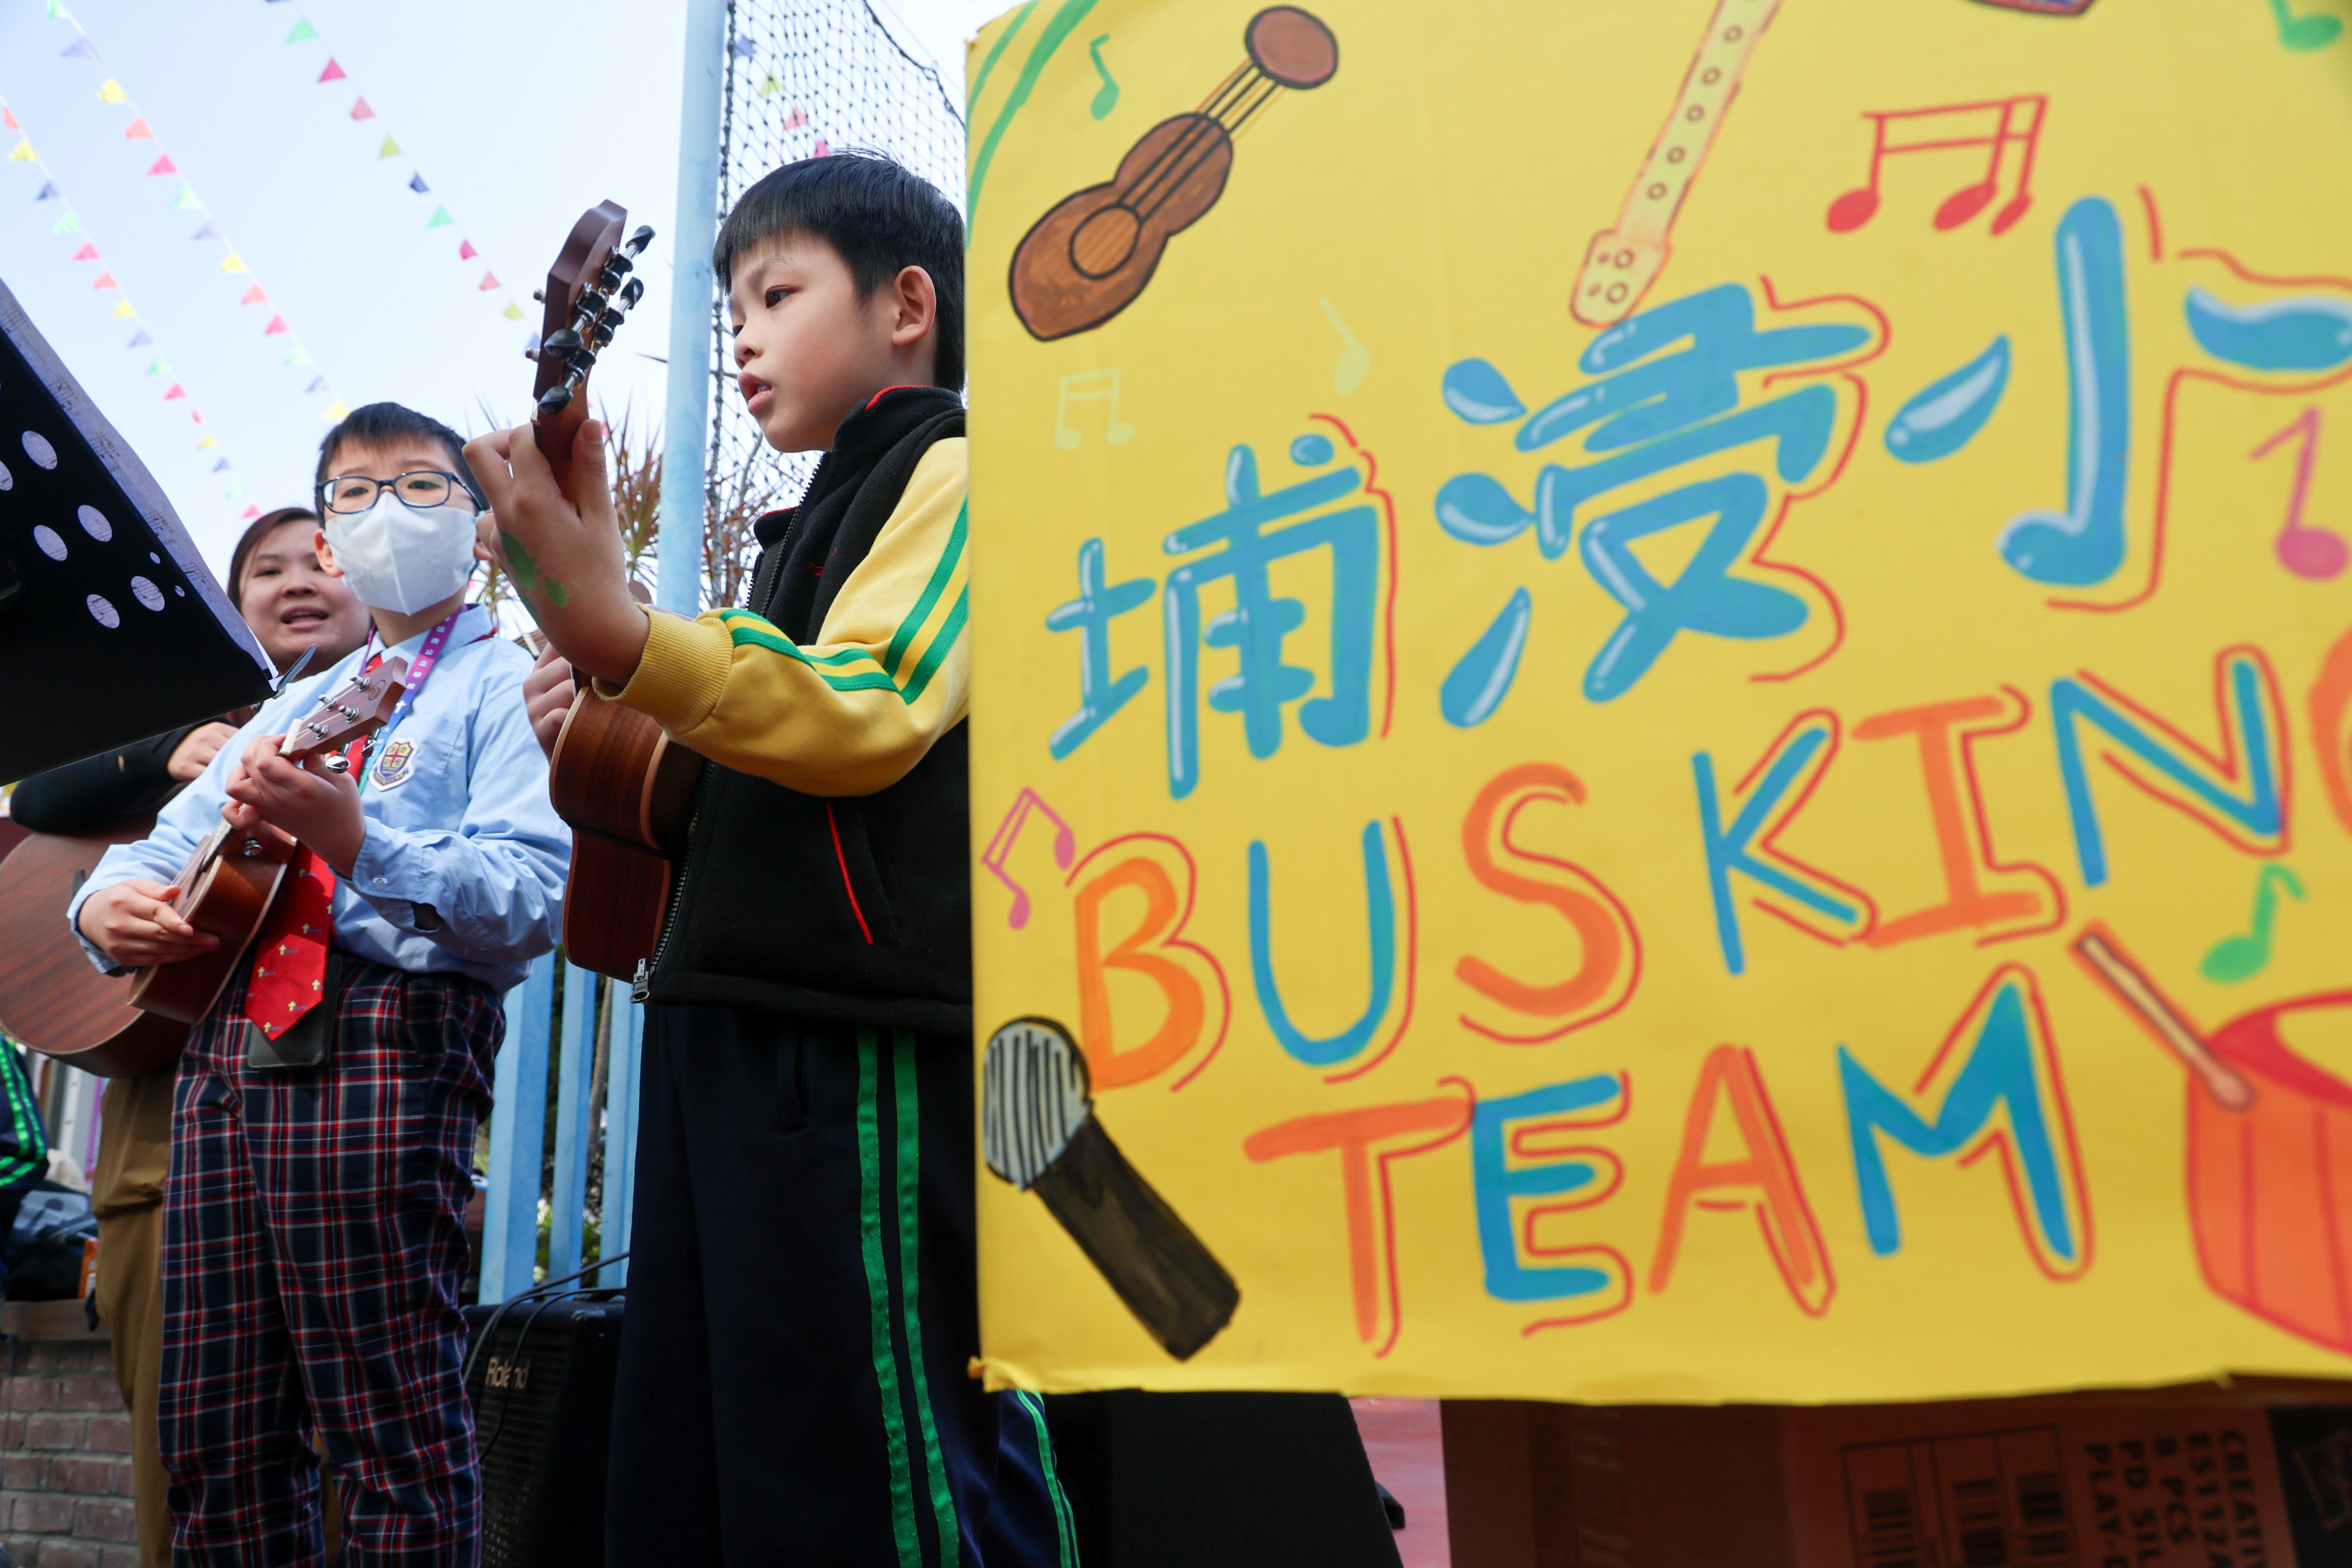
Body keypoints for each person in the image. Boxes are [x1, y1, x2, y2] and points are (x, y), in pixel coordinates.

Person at [469, 152, 1065, 1566]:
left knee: (875, 1454)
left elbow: (869, 704)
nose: (739, 337)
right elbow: (764, 785)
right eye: (730, 307)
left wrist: (628, 642)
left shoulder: (962, 472)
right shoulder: (815, 521)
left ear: (907, 304)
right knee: (731, 1447)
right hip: (739, 1025)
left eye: (775, 295)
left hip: (852, 1034)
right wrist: (616, 711)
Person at [66, 403, 569, 1567]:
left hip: (391, 1039)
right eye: (356, 492)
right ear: (332, 539)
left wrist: (361, 842)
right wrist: (102, 906)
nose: (389, 511)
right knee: (216, 1435)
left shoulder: (506, 683)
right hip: (225, 1050)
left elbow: (532, 896)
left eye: (422, 486)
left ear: (477, 524)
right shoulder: (299, 704)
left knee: (393, 1429)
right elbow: (155, 849)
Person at [11, 503, 370, 1568]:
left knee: (351, 1452)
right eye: (266, 569)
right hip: (163, 1127)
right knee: (181, 1454)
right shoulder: (192, 720)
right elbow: (38, 792)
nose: (297, 581)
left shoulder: (433, 712)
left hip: (341, 1113)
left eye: (322, 560)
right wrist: (167, 752)